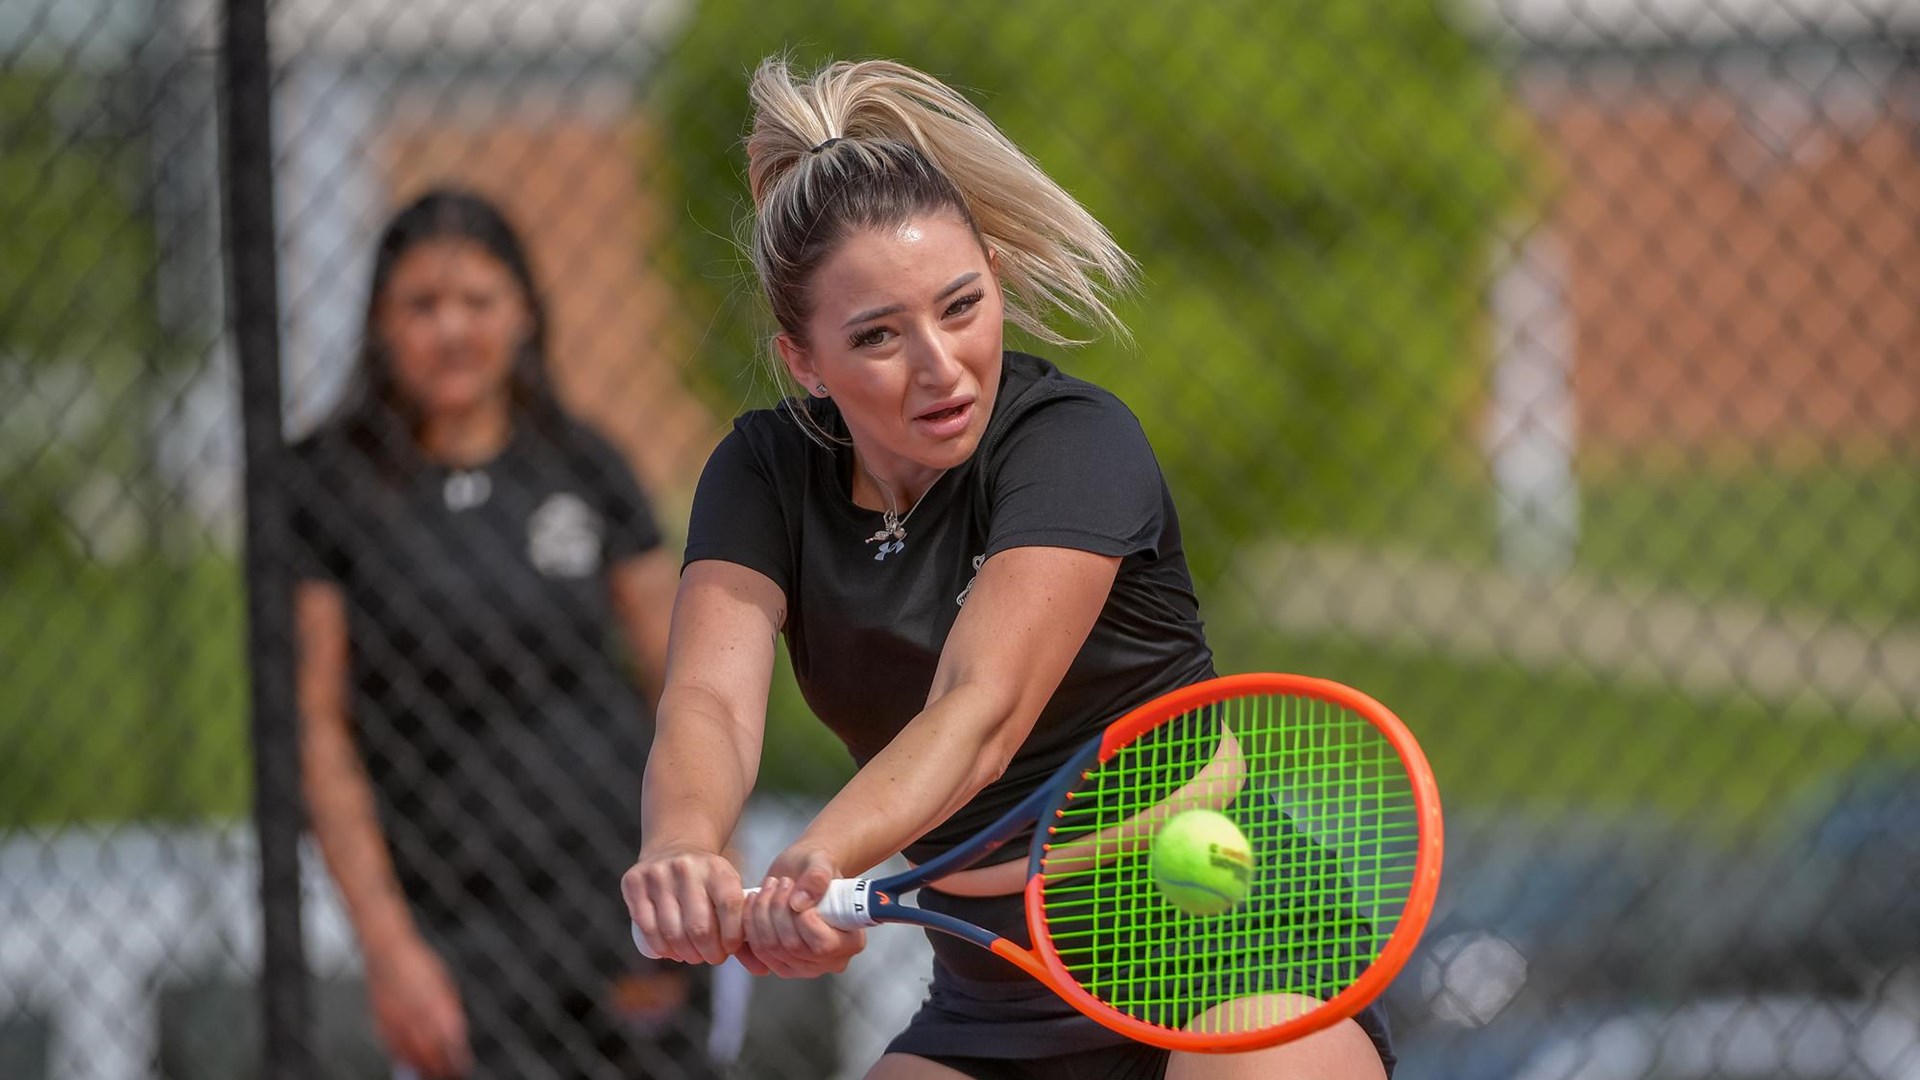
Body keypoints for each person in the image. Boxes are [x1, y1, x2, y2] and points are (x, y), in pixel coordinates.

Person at [621, 58, 1397, 1080]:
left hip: (1235, 948)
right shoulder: (761, 474)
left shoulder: (1074, 441)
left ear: (994, 273)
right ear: (804, 360)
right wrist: (683, 848)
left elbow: (978, 712)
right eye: (877, 336)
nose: (940, 364)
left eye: (960, 306)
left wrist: (818, 862)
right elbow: (711, 704)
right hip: (995, 992)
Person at [291, 188, 715, 1079]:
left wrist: (707, 849)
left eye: (477, 301)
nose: (452, 330)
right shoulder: (329, 486)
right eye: (422, 305)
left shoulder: (584, 465)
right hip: (452, 922)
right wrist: (387, 949)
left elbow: (687, 679)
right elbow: (315, 732)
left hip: (622, 890)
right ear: (379, 323)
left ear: (523, 312)